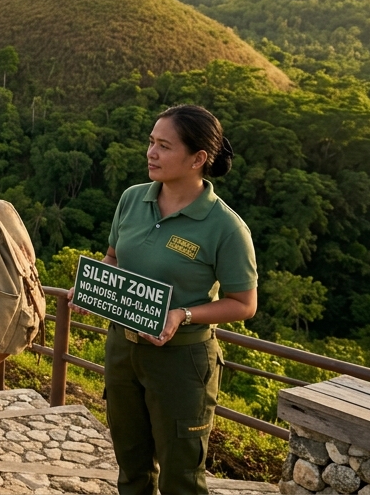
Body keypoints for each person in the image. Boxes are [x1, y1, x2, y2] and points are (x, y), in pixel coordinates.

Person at [85, 105, 257, 495]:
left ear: (198, 159)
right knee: (131, 467)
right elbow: (113, 256)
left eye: (164, 146)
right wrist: (95, 284)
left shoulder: (225, 227)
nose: (151, 153)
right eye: (151, 142)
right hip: (123, 350)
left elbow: (244, 303)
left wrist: (184, 313)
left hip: (181, 361)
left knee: (181, 477)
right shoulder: (133, 199)